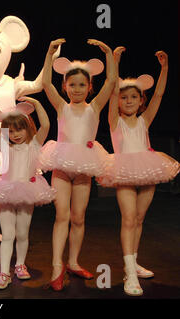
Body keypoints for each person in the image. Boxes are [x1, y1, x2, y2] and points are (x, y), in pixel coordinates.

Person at [98, 48, 179, 296]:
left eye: (134, 97)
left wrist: (164, 69)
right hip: (123, 169)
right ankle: (130, 274)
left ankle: (132, 262)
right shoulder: (115, 121)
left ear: (140, 100)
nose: (129, 101)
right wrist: (115, 62)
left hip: (147, 168)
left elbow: (160, 95)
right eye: (125, 98)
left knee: (140, 219)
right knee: (129, 218)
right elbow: (112, 91)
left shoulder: (144, 120)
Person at [39, 38, 116, 291]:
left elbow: (112, 83)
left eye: (82, 84)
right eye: (72, 84)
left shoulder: (95, 107)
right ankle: (56, 267)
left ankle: (72, 261)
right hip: (61, 166)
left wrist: (108, 55)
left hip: (84, 168)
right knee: (62, 216)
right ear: (65, 86)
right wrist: (50, 55)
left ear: (90, 86)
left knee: (78, 217)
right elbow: (46, 83)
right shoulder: (62, 107)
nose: (77, 88)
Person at [0, 97, 55, 289]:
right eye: (11, 131)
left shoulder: (34, 144)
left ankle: (20, 264)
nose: (15, 134)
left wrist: (37, 104)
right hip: (8, 191)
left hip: (27, 191)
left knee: (22, 233)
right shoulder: (4, 145)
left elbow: (46, 124)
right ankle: (4, 273)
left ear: (28, 127)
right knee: (8, 234)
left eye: (19, 129)